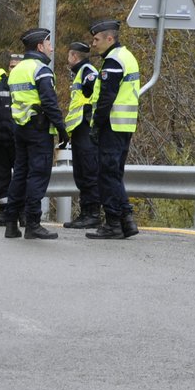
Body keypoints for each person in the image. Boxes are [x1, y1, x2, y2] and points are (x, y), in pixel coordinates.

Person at [0, 27, 65, 240]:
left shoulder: (16, 70)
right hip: (39, 129)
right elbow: (49, 102)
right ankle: (33, 224)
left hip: (20, 129)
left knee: (19, 175)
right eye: (49, 44)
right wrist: (62, 129)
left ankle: (11, 223)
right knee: (38, 175)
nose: (51, 48)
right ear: (39, 46)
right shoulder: (41, 69)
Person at [86, 18, 142, 240]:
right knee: (115, 174)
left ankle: (113, 223)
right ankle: (126, 221)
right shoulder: (127, 57)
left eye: (96, 39)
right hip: (125, 125)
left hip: (112, 124)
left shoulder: (113, 61)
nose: (93, 44)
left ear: (110, 39)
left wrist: (96, 126)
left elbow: (106, 98)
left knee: (107, 175)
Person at [63, 39, 104, 230]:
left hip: (86, 129)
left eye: (69, 55)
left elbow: (95, 98)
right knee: (81, 173)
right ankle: (86, 212)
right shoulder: (81, 72)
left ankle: (93, 213)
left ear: (74, 56)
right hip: (80, 131)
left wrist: (89, 116)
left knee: (88, 172)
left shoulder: (88, 73)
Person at [0, 53, 23, 228]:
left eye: (17, 66)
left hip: (19, 139)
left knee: (22, 178)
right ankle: (5, 211)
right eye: (11, 66)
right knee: (0, 178)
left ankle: (22, 212)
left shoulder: (27, 87)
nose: (13, 69)